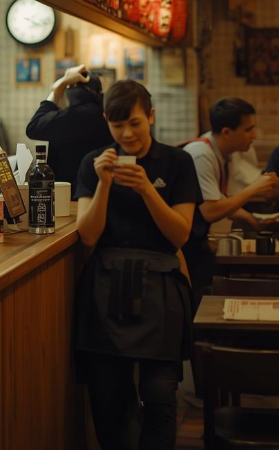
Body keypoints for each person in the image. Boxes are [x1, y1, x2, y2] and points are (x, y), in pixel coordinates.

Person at [73, 80, 200, 450]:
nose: (127, 134)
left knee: (160, 394)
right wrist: (103, 185)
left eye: (135, 123)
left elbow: (179, 235)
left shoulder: (178, 162)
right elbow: (88, 236)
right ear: (106, 123)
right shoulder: (94, 162)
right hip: (105, 285)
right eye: (117, 126)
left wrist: (147, 189)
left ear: (151, 118)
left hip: (160, 284)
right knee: (108, 398)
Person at [182, 98, 279, 293]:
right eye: (248, 129)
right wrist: (255, 188)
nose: (254, 135)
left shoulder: (224, 153)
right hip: (183, 245)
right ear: (226, 132)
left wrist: (253, 221)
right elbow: (210, 211)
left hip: (196, 239)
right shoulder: (201, 154)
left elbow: (223, 200)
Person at [25, 64, 114, 183]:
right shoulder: (108, 115)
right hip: (104, 187)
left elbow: (33, 128)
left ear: (72, 93)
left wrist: (58, 88)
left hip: (69, 193)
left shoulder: (70, 117)